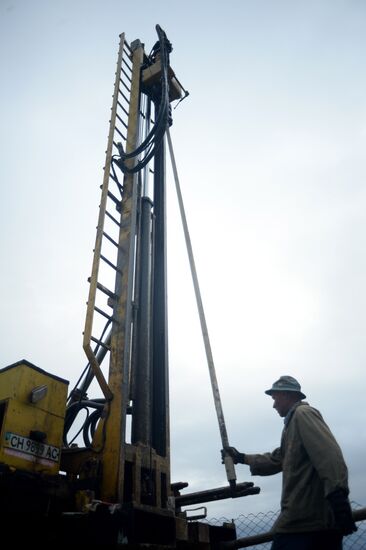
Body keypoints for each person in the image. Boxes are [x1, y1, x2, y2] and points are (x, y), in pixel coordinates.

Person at [223, 375, 357, 550]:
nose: (274, 404)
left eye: (275, 398)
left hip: (307, 521)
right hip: (306, 520)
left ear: (286, 395)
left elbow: (329, 456)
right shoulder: (291, 424)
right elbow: (277, 459)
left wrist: (338, 497)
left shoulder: (304, 415)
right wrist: (241, 458)